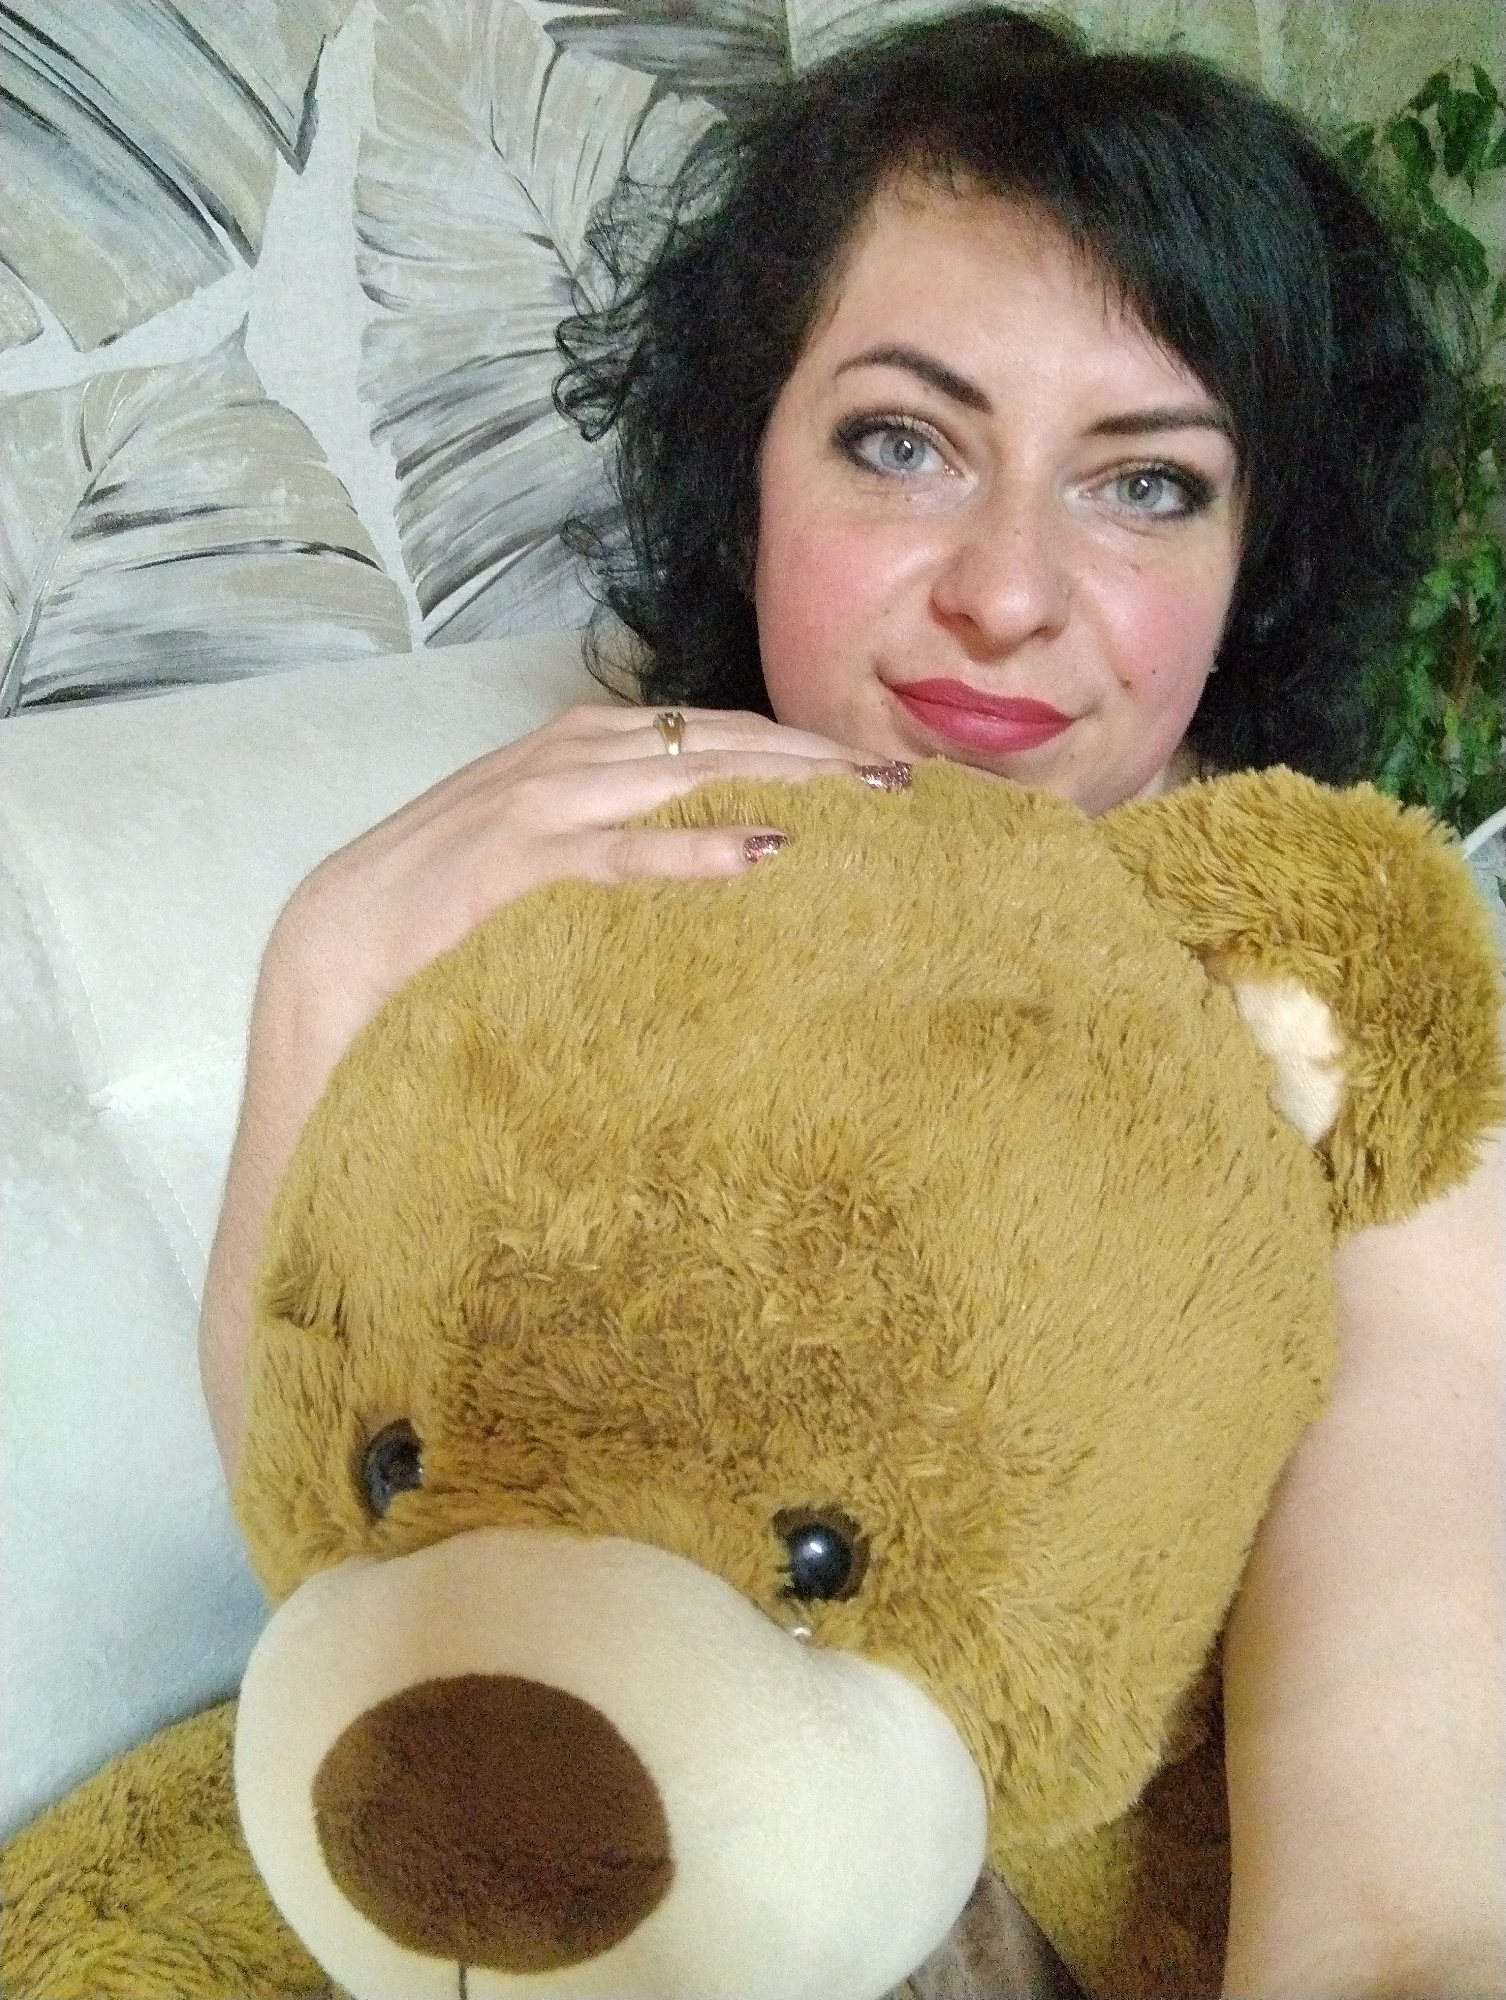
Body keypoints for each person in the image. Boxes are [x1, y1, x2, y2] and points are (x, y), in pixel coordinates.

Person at [200, 11, 1503, 1995]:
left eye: (1147, 484)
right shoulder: (576, 893)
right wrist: (319, 975)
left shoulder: (1322, 1035)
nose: (1006, 590)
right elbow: (350, 1564)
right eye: (905, 443)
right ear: (749, 467)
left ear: (1260, 560)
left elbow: (1397, 1906)